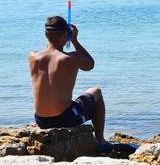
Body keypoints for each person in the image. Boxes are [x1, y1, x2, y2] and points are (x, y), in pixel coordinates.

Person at [28, 16, 106, 144]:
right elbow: (90, 64)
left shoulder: (33, 57)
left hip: (41, 120)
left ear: (45, 35)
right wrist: (74, 40)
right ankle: (100, 140)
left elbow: (50, 55)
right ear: (66, 34)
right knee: (96, 91)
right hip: (64, 119)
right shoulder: (71, 58)